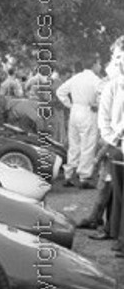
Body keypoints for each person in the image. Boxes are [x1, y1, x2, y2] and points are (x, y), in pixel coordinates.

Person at [56, 53, 102, 188]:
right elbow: (104, 95)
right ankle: (84, 177)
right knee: (88, 145)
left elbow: (60, 91)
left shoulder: (76, 78)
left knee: (74, 144)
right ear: (94, 65)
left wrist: (69, 105)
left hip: (74, 111)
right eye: (99, 64)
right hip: (88, 111)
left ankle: (68, 175)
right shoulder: (95, 80)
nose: (100, 66)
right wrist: (97, 105)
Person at [97, 36, 124, 255]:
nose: (116, 62)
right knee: (118, 194)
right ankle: (117, 236)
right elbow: (104, 119)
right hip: (119, 148)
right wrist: (114, 140)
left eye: (118, 57)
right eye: (115, 58)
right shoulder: (113, 86)